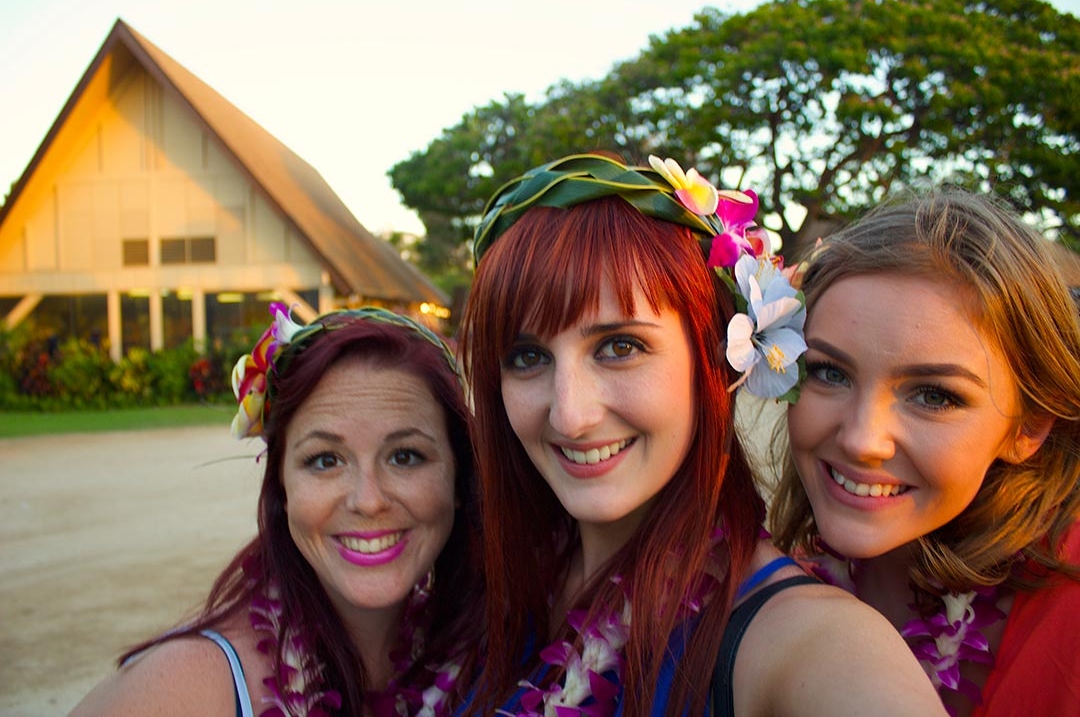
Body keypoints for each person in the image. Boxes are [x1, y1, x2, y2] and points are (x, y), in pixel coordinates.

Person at [454, 153, 946, 716]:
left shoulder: (814, 647)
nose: (570, 415)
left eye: (620, 347)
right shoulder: (486, 586)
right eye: (528, 356)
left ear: (720, 357)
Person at [70, 304, 482, 717]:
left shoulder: (488, 664)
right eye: (325, 460)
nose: (368, 500)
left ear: (459, 477)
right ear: (281, 487)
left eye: (406, 456)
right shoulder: (185, 690)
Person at [770, 190, 1080, 717]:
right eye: (829, 372)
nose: (862, 440)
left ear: (1028, 428)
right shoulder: (761, 596)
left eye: (935, 395)